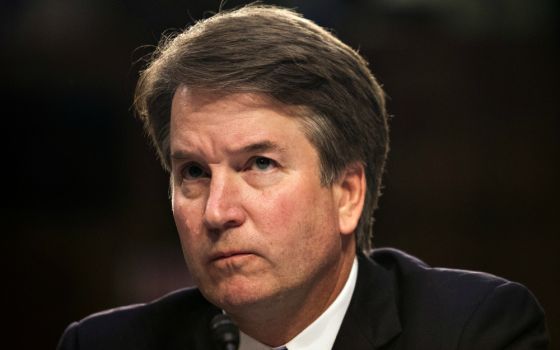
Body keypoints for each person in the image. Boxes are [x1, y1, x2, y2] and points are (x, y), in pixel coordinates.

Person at [57, 4, 549, 349]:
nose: (217, 211)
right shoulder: (103, 344)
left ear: (348, 194)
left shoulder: (471, 330)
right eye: (193, 172)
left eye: (260, 164)